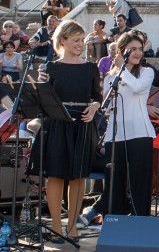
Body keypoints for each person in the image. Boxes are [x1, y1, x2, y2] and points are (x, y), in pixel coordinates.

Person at [29, 20, 101, 242]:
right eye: (76, 40)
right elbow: (43, 97)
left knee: (78, 176)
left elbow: (97, 97)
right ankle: (56, 229)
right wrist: (42, 84)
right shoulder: (50, 67)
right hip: (57, 123)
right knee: (56, 176)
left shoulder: (90, 67)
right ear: (63, 41)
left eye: (82, 40)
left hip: (82, 122)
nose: (81, 44)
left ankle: (72, 227)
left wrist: (94, 106)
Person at [102, 32, 155, 217]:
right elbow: (107, 106)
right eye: (132, 49)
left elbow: (137, 87)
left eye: (140, 49)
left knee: (139, 184)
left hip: (140, 134)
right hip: (114, 135)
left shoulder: (147, 72)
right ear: (121, 50)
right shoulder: (110, 78)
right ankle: (115, 222)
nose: (137, 53)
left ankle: (140, 224)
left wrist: (121, 70)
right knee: (114, 184)